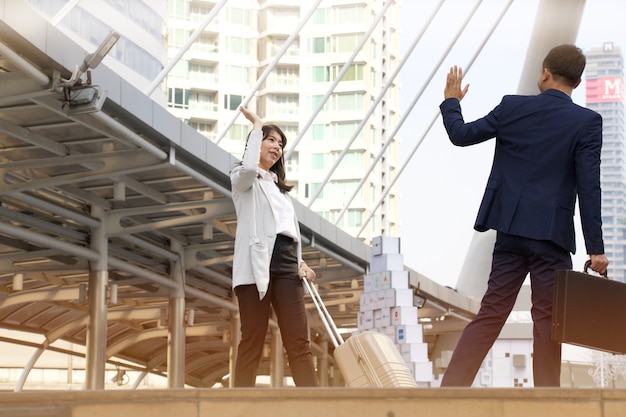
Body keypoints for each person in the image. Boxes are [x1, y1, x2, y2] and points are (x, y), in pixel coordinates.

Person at [438, 44, 609, 387]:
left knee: (491, 314)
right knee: (548, 322)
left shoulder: (512, 107)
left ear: (545, 72)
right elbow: (589, 188)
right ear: (576, 81)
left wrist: (452, 102)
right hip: (552, 237)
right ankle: (548, 402)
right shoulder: (587, 122)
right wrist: (596, 249)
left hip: (511, 232)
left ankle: (449, 392)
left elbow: (461, 135)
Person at [230, 106, 318, 387]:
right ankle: (237, 409)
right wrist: (257, 125)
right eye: (271, 140)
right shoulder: (243, 181)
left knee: (299, 342)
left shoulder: (281, 191)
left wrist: (300, 263)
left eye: (280, 144)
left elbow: (288, 232)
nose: (277, 147)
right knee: (252, 339)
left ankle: (316, 407)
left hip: (287, 267)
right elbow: (246, 168)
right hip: (256, 268)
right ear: (256, 142)